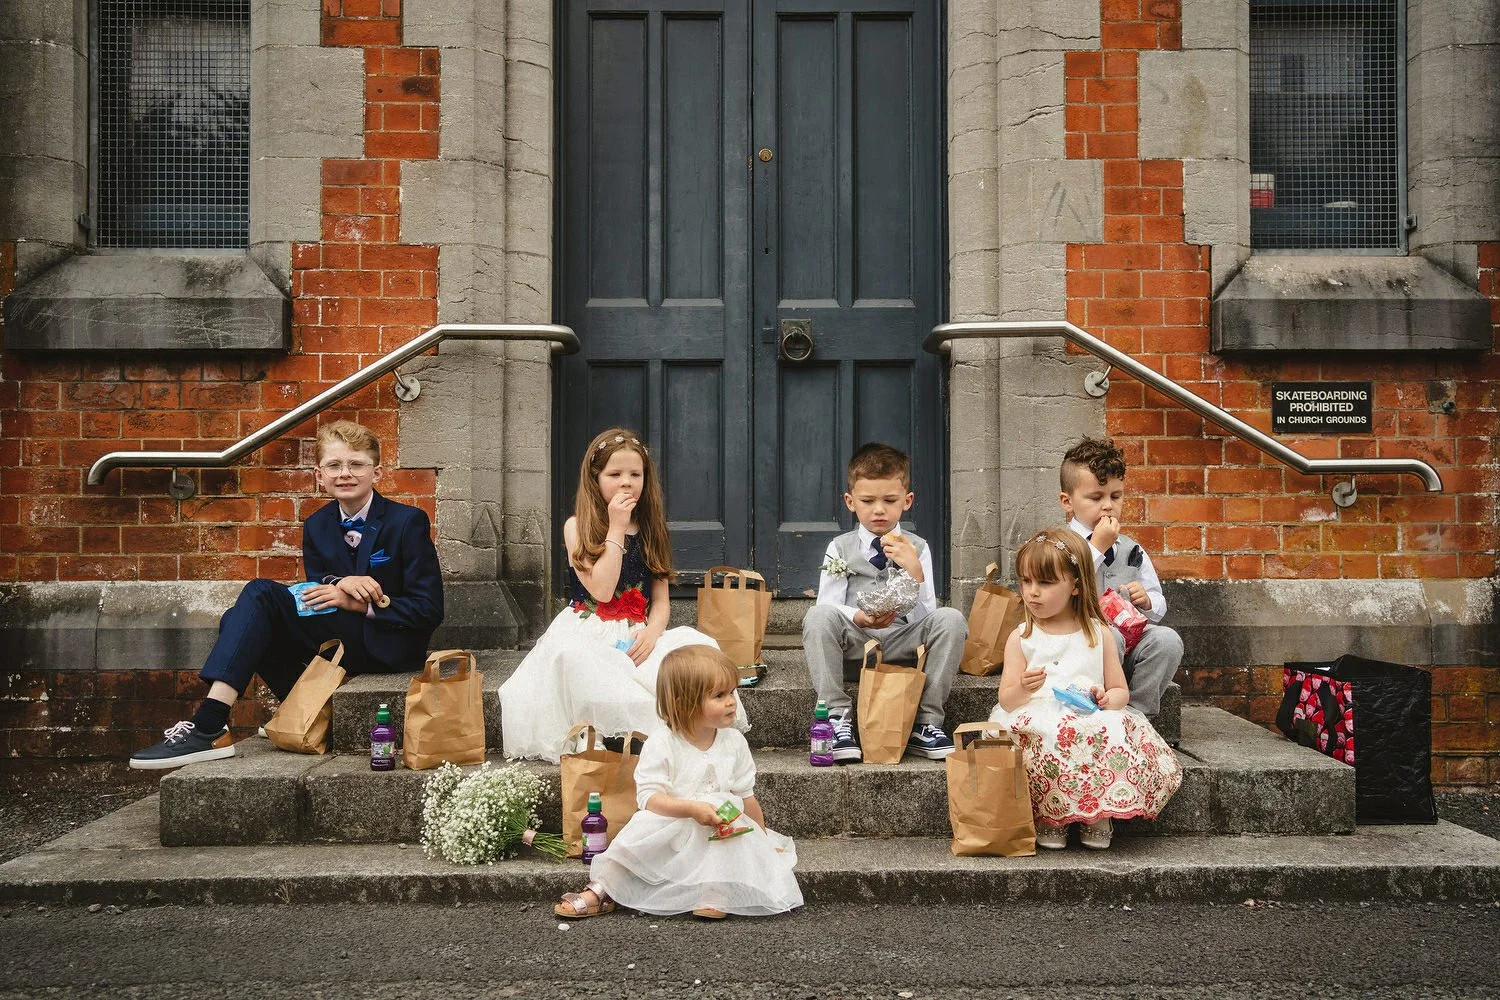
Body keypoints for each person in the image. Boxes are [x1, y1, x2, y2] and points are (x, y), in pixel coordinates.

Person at [130, 420, 444, 769]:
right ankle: (294, 713)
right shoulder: (317, 524)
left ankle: (208, 726)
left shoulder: (407, 521)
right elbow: (317, 594)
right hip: (341, 642)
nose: (345, 474)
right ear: (319, 474)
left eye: (356, 464)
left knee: (259, 596)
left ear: (376, 472)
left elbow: (429, 610)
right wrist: (339, 584)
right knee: (243, 617)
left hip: (389, 644)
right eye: (334, 466)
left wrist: (359, 602)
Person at [500, 427, 747, 763]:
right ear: (595, 479)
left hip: (637, 632)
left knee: (700, 649)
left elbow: (659, 599)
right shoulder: (577, 527)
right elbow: (601, 590)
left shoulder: (651, 529)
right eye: (615, 474)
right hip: (589, 629)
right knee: (578, 663)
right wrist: (616, 527)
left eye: (636, 474)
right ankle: (618, 739)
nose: (626, 482)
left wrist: (653, 631)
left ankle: (685, 733)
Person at [553, 645, 802, 920]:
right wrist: (691, 809)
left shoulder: (734, 742)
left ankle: (714, 892)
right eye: (719, 695)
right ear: (684, 704)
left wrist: (762, 841)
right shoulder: (663, 742)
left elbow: (746, 798)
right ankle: (601, 889)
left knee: (726, 822)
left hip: (717, 827)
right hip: (670, 822)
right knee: (631, 843)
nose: (732, 701)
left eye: (732, 691)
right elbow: (649, 797)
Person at [989, 527, 1181, 849]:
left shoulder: (1098, 633)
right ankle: (1050, 814)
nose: (1032, 592)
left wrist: (1108, 699)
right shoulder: (1021, 637)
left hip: (1087, 711)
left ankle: (1097, 813)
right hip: (1037, 711)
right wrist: (1023, 688)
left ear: (1075, 585)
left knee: (1107, 728)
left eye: (1046, 583)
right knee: (1045, 735)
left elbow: (1120, 690)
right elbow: (1007, 700)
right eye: (1026, 581)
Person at [801, 442, 967, 763]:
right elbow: (829, 605)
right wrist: (859, 618)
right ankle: (837, 718)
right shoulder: (839, 547)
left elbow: (927, 617)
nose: (879, 510)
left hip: (903, 647)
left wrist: (914, 571)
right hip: (857, 646)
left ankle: (927, 723)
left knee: (951, 620)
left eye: (889, 501)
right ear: (850, 502)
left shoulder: (917, 547)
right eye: (868, 501)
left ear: (907, 501)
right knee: (817, 617)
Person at [1059, 436, 1184, 718]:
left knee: (1166, 640)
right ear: (1068, 502)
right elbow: (1060, 587)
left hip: (1128, 640)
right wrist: (1097, 547)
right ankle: (1099, 712)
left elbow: (1158, 606)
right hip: (1077, 643)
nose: (1108, 506)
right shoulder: (1060, 543)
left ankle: (1137, 716)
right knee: (1109, 636)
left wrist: (1147, 601)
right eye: (1096, 497)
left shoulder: (1131, 548)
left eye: (1116, 496)